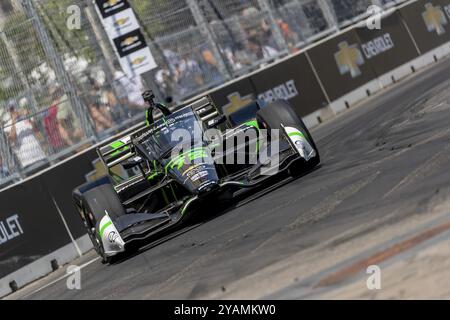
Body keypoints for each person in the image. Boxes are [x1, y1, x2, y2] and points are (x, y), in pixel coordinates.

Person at [3, 100, 47, 170]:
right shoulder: (7, 125)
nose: (14, 110)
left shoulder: (25, 118)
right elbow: (13, 138)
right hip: (27, 163)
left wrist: (28, 116)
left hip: (40, 156)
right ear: (8, 111)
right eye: (11, 109)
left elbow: (36, 130)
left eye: (14, 107)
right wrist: (14, 121)